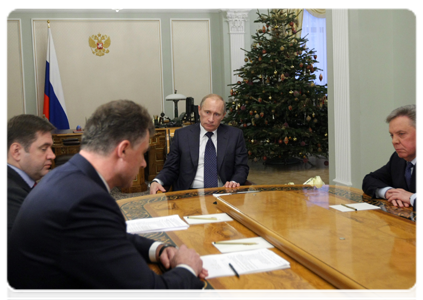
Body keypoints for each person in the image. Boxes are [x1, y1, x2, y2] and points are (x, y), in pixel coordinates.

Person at [6, 100, 207, 299]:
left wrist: (157, 249)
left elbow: (106, 236)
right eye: (143, 154)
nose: (144, 163)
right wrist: (187, 267)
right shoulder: (87, 201)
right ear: (123, 150)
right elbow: (152, 295)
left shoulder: (68, 174)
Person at [150, 94, 249, 194]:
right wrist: (157, 181)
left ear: (223, 116)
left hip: (223, 192)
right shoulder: (182, 135)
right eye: (207, 112)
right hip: (189, 194)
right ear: (199, 110)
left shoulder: (235, 135)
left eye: (217, 114)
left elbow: (242, 167)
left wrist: (234, 182)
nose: (211, 119)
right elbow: (171, 168)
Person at [5, 114, 56, 254]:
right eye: (44, 148)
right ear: (16, 152)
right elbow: (28, 248)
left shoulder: (25, 183)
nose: (52, 155)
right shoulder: (7, 193)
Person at [362, 104, 420, 211]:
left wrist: (411, 198)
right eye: (392, 135)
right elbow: (369, 179)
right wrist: (388, 192)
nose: (394, 141)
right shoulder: (398, 158)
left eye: (401, 134)